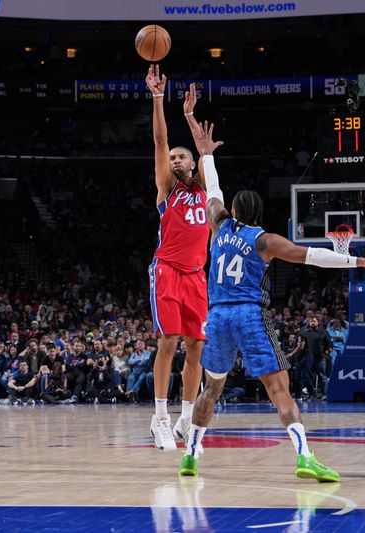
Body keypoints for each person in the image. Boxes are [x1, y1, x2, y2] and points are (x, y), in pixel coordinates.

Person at [176, 115, 365, 479]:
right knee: (279, 388)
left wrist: (205, 154)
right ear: (259, 214)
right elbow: (313, 256)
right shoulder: (265, 240)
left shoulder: (218, 224)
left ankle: (191, 455)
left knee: (211, 390)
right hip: (248, 316)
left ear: (234, 211)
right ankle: (304, 456)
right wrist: (358, 260)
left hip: (215, 317)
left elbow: (212, 189)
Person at [145, 67, 211, 451]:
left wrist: (190, 116)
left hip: (196, 276)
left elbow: (204, 154)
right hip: (167, 271)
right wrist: (158, 98)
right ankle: (160, 419)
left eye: (180, 156)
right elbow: (159, 139)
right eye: (171, 157)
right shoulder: (167, 189)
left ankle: (187, 420)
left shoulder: (204, 189)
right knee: (168, 341)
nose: (173, 158)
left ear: (192, 163)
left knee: (196, 348)